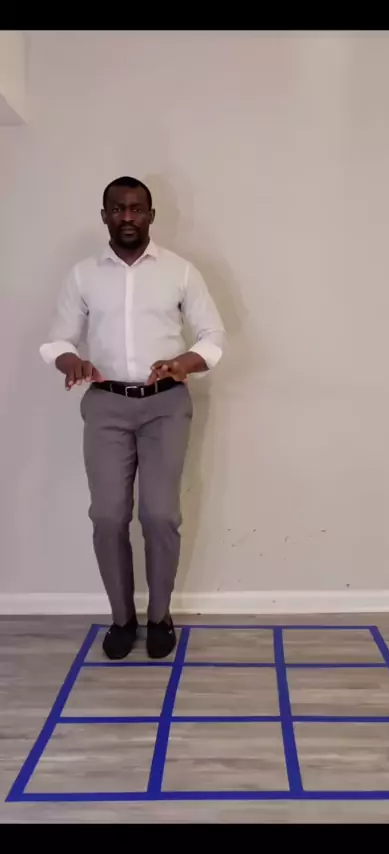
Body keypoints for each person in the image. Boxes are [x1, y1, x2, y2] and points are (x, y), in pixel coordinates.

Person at [40, 176, 225, 661]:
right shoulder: (83, 275)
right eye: (118, 209)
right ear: (104, 215)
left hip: (165, 404)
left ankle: (160, 616)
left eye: (136, 209)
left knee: (160, 515)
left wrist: (184, 363)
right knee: (107, 516)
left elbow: (213, 336)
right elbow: (57, 340)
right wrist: (70, 362)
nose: (127, 217)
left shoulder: (181, 272)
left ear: (150, 215)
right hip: (106, 404)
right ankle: (122, 618)